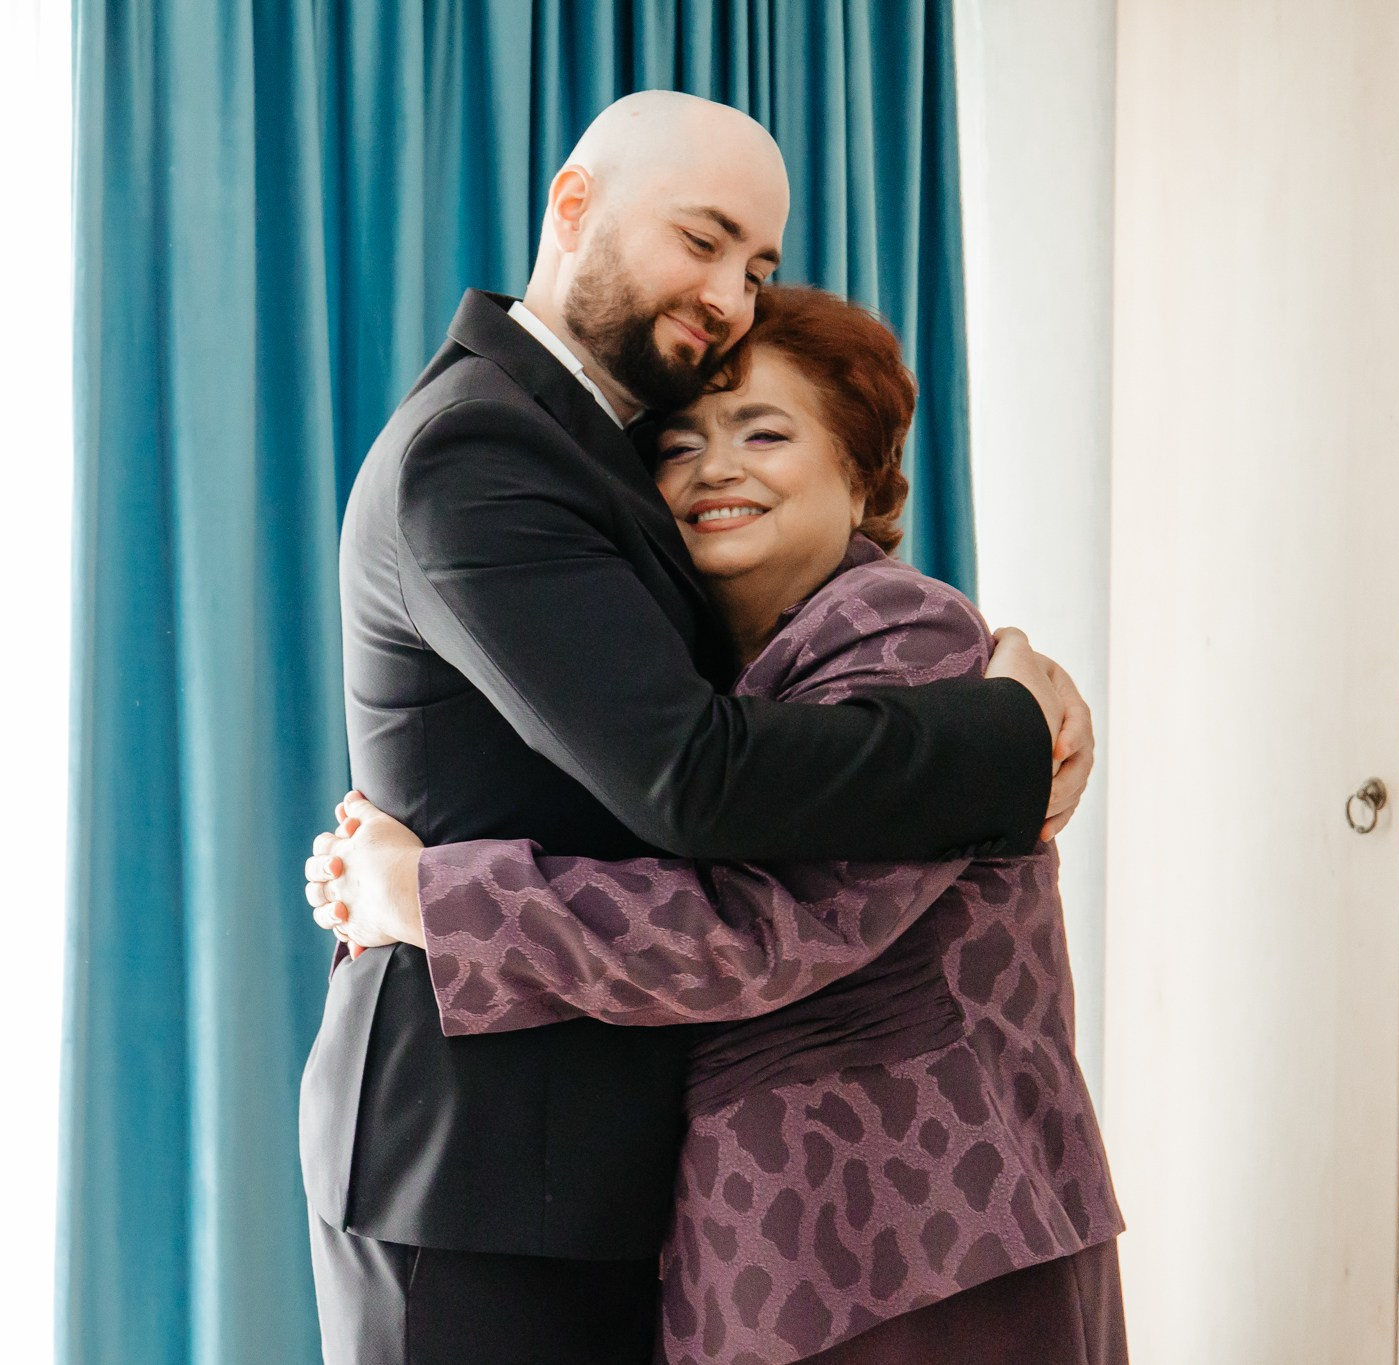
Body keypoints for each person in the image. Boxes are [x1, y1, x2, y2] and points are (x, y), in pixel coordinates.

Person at [297, 91, 1096, 1365]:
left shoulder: (593, 455)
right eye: (704, 238)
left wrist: (993, 665)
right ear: (572, 206)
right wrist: (1009, 736)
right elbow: (692, 777)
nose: (729, 292)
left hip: (702, 1193)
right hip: (484, 1165)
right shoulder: (481, 454)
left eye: (758, 264)